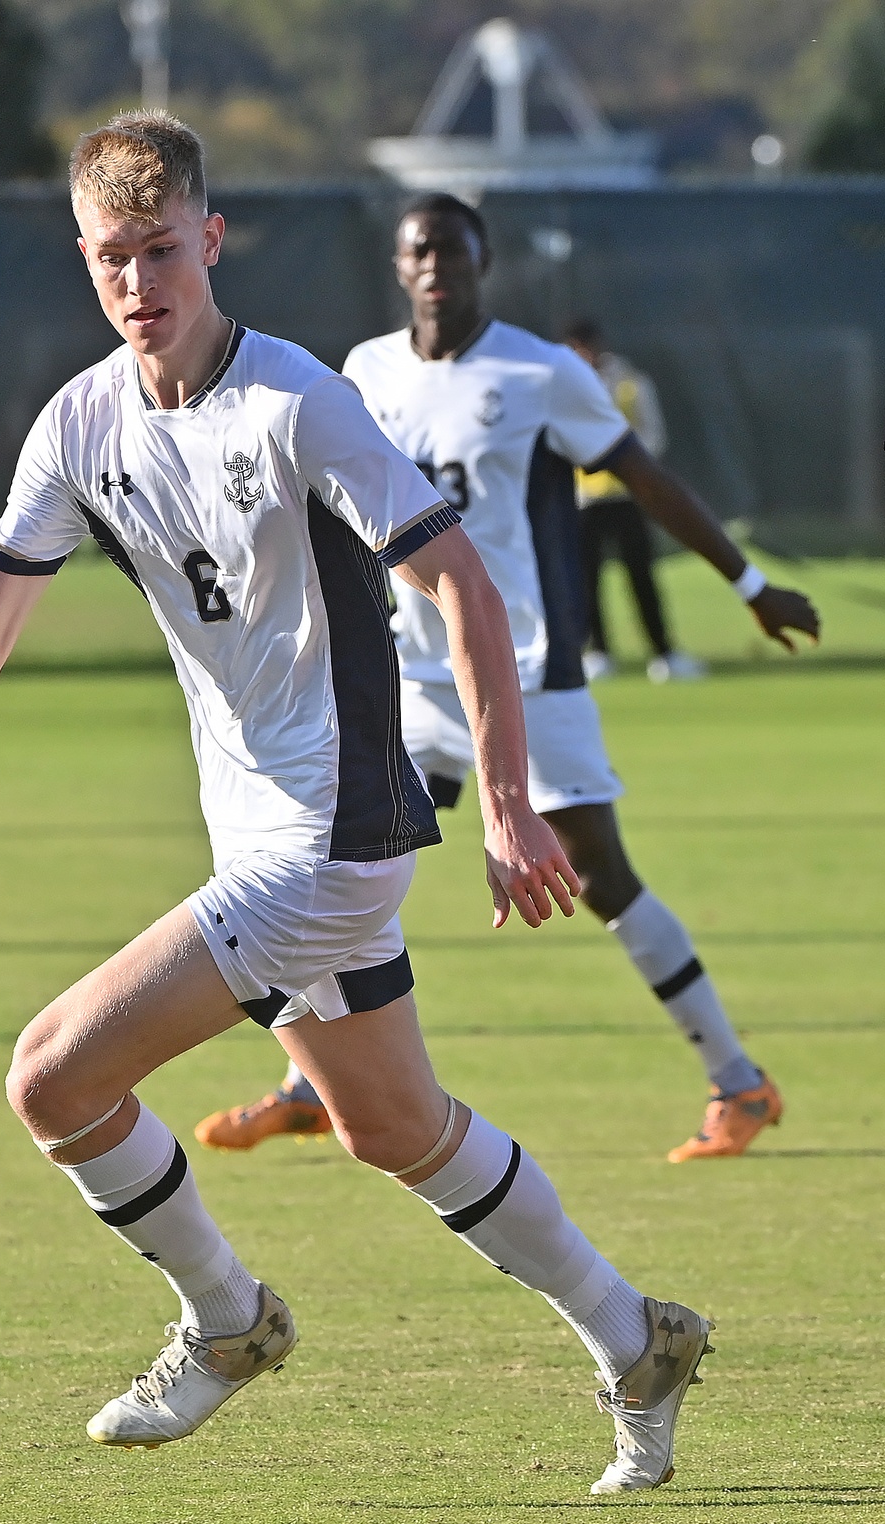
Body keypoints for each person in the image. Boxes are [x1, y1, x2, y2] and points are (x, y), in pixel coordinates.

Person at [0, 116, 713, 1493]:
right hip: (258, 830)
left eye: (163, 249)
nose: (140, 280)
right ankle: (638, 1339)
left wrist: (508, 806)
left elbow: (463, 586)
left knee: (52, 1076)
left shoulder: (297, 400)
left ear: (211, 241)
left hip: (335, 837)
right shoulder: (82, 421)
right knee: (398, 1129)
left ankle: (227, 1321)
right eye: (112, 258)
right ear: (85, 263)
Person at [194, 192, 820, 1165]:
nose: (435, 264)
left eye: (451, 247)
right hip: (409, 679)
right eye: (418, 250)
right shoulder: (366, 369)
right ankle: (307, 1084)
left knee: (600, 878)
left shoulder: (539, 371)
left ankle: (739, 1082)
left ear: (481, 259)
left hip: (524, 676)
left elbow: (643, 479)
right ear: (398, 267)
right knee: (332, 866)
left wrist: (747, 583)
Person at [562, 315, 698, 684]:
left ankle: (664, 652)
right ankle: (598, 652)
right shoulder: (564, 385)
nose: (585, 354)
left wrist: (620, 461)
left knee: (641, 576)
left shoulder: (630, 381)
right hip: (583, 499)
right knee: (587, 580)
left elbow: (653, 435)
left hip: (626, 495)